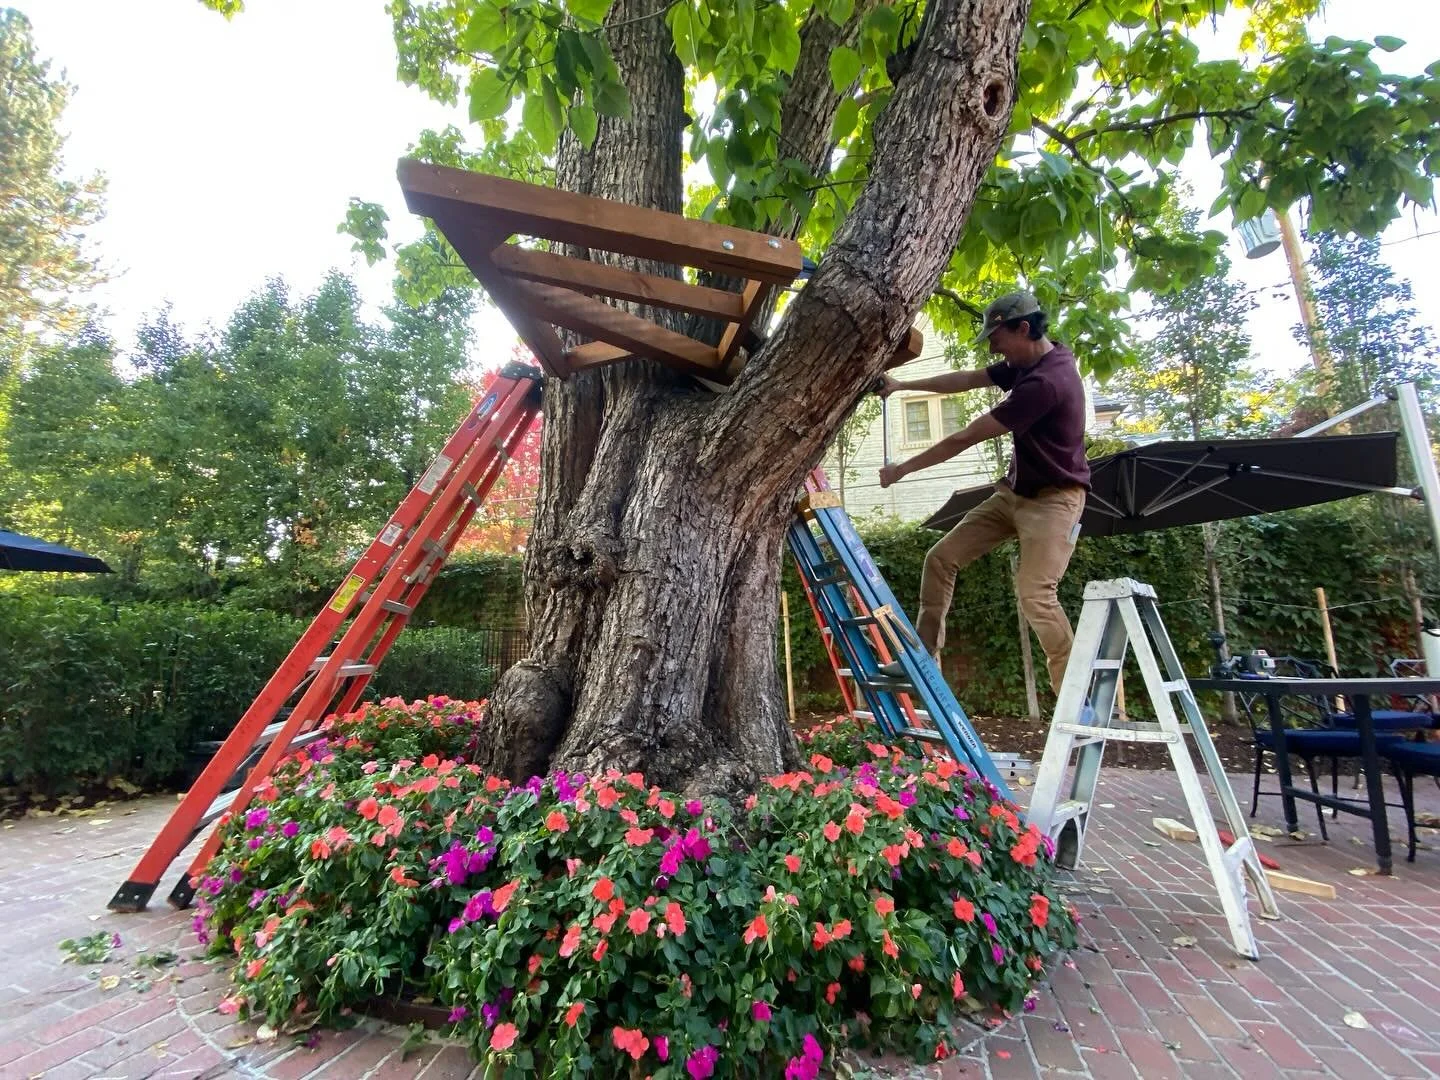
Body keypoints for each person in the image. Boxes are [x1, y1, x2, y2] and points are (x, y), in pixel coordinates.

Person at [876, 291, 1090, 691]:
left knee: (1036, 594)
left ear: (1023, 329)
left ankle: (1075, 694)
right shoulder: (1027, 361)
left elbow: (965, 437)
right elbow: (968, 380)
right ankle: (922, 660)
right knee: (940, 559)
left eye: (996, 338)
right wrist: (902, 384)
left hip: (1056, 501)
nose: (992, 347)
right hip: (1014, 495)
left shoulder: (1046, 383)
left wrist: (902, 469)